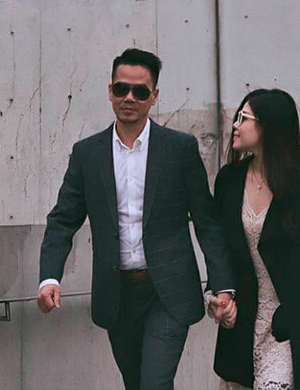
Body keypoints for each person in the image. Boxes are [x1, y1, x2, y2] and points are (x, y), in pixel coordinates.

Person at [36, 48, 236, 390]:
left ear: (153, 96)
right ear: (110, 90)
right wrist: (49, 278)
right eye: (121, 88)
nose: (129, 98)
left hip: (168, 292)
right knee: (135, 383)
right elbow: (63, 220)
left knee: (154, 383)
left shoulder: (179, 149)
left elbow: (207, 221)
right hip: (116, 294)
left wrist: (222, 285)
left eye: (140, 91)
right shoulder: (87, 153)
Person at [210, 89, 300, 390]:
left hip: (287, 324)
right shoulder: (229, 180)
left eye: (244, 118)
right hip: (242, 323)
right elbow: (219, 247)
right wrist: (219, 293)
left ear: (268, 126)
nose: (235, 125)